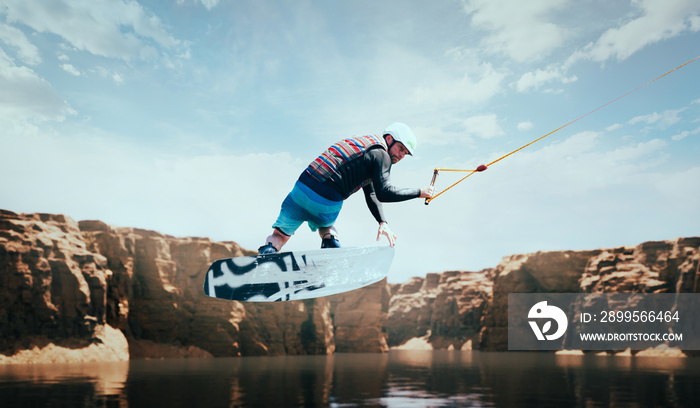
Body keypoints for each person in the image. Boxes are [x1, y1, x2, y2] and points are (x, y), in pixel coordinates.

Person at [259, 122, 435, 255]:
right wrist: (420, 192)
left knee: (280, 236)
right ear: (389, 139)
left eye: (405, 153)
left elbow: (371, 192)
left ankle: (268, 252)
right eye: (400, 148)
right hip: (325, 201)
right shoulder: (382, 155)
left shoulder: (364, 145)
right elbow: (384, 192)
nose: (401, 155)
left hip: (299, 191)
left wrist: (382, 222)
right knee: (327, 228)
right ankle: (330, 247)